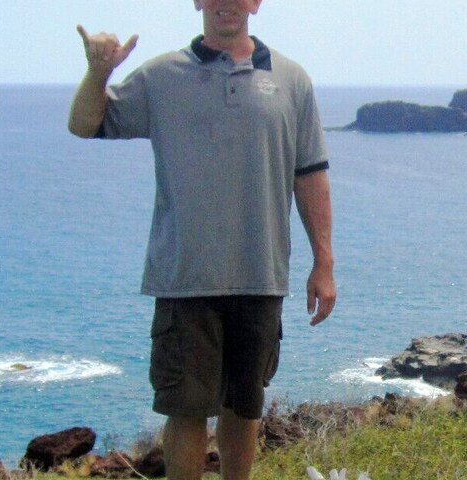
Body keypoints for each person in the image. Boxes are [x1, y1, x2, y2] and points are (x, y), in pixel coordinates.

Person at [68, 1, 335, 479]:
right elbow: (86, 123)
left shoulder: (292, 80)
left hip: (260, 274)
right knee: (186, 410)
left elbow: (310, 173)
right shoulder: (161, 76)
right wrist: (98, 73)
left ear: (255, 3)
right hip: (184, 278)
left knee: (244, 406)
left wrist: (324, 263)